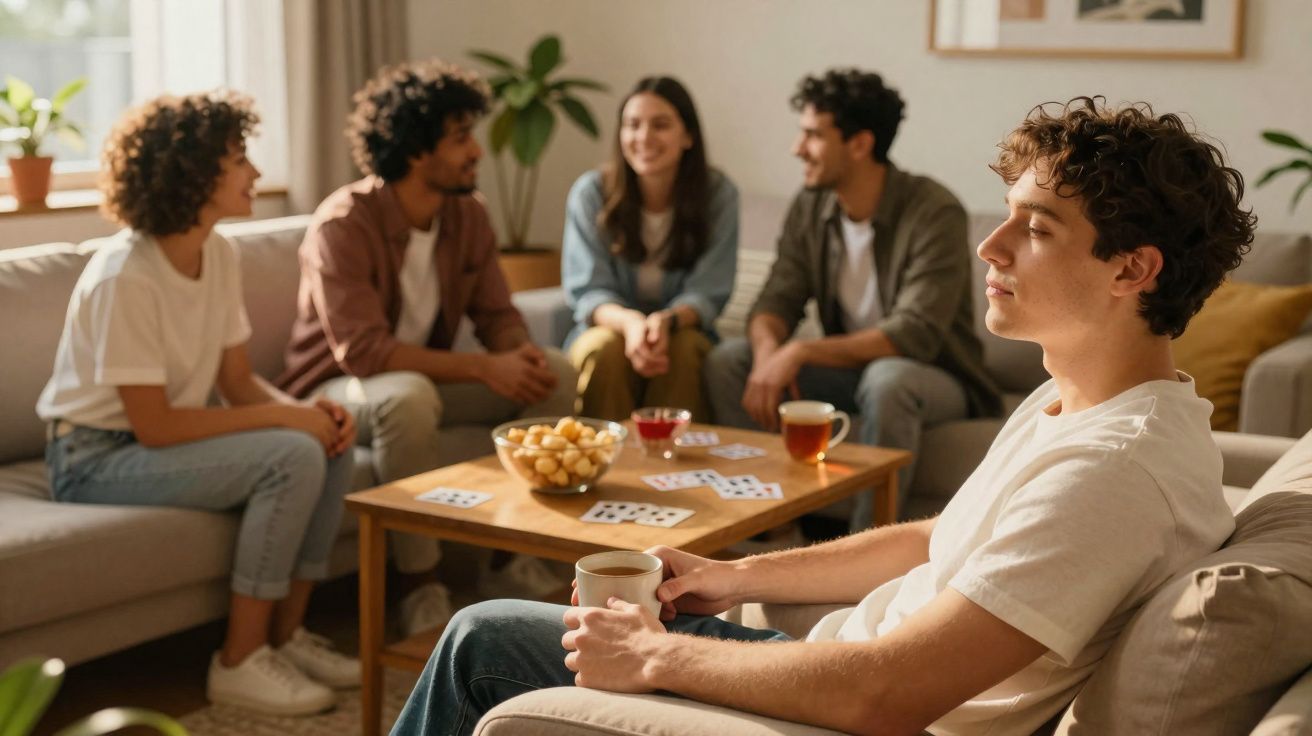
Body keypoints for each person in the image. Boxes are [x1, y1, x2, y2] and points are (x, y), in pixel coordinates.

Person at [389, 96, 1257, 735]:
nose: (990, 246)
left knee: (480, 638)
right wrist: (733, 575)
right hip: (830, 660)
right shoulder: (1080, 404)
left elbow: (887, 694)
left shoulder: (1114, 471)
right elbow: (940, 541)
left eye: (1035, 228)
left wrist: (653, 656)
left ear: (1132, 270)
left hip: (839, 703)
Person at [37, 91, 360, 716]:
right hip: (91, 457)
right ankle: (238, 660)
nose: (256, 173)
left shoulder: (218, 252)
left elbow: (237, 381)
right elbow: (155, 426)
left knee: (327, 443)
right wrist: (287, 418)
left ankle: (286, 636)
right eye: (239, 159)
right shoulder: (126, 274)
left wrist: (310, 415)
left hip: (145, 443)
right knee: (292, 454)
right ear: (190, 172)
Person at [277, 59, 577, 637]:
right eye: (461, 138)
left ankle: (508, 557)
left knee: (556, 374)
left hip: (422, 379)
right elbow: (364, 352)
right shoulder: (343, 224)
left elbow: (497, 314)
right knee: (408, 398)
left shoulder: (468, 214)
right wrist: (484, 367)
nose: (476, 152)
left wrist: (518, 353)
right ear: (417, 151)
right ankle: (420, 583)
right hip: (335, 392)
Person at [706, 69, 1000, 529]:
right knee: (730, 361)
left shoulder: (933, 210)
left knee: (888, 380)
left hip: (935, 374)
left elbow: (912, 334)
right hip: (848, 372)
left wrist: (799, 351)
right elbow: (776, 299)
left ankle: (865, 545)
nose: (797, 148)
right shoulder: (811, 205)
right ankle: (762, 528)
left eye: (812, 135)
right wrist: (766, 358)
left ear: (860, 144)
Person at [562, 76, 739, 422]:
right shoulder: (590, 193)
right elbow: (589, 291)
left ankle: (674, 456)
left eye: (660, 125)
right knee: (603, 348)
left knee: (683, 349)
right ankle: (606, 454)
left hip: (684, 328)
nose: (643, 137)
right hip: (610, 326)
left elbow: (709, 290)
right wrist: (631, 324)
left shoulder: (718, 194)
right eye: (632, 125)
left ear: (688, 136)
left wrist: (665, 323)